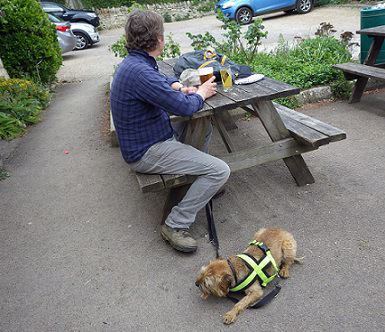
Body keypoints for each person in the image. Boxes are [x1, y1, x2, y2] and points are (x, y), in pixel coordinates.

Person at [110, 10, 230, 253]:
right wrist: (200, 93)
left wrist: (176, 85)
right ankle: (175, 224)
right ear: (159, 39)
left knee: (204, 126)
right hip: (146, 151)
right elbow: (186, 109)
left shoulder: (136, 63)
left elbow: (158, 80)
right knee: (220, 171)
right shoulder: (140, 72)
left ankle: (198, 179)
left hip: (147, 136)